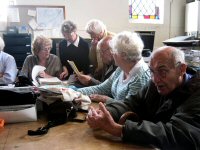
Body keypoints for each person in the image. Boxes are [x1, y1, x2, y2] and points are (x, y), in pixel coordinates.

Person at [86, 46, 200, 149]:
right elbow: (130, 103)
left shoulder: (196, 94)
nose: (156, 79)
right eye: (152, 71)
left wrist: (121, 130)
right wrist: (105, 113)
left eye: (162, 71)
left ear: (182, 69)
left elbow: (178, 134)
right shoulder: (153, 84)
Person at [77, 31, 150, 103]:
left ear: (123, 55)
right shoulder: (121, 69)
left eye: (113, 51)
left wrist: (107, 100)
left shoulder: (140, 77)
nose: (112, 54)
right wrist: (74, 92)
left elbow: (129, 107)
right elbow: (101, 88)